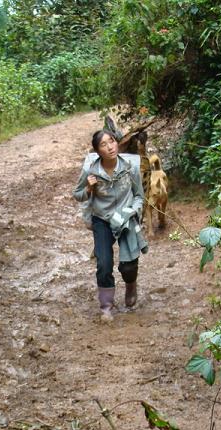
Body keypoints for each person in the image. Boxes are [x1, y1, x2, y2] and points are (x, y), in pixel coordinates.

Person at [73, 129, 148, 321]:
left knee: (129, 265)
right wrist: (89, 188)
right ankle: (106, 306)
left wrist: (134, 211)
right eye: (104, 145)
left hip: (125, 217)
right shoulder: (92, 170)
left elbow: (139, 195)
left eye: (112, 141)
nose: (110, 147)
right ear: (98, 151)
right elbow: (78, 194)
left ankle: (131, 286)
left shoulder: (130, 166)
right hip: (102, 219)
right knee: (104, 263)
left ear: (116, 143)